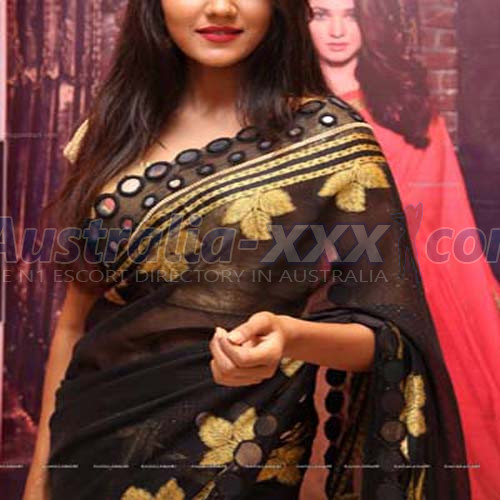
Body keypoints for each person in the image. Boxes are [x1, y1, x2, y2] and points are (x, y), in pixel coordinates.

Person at [23, 1, 470, 499]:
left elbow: (388, 336)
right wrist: (38, 483)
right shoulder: (112, 133)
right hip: (90, 448)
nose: (220, 8)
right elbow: (74, 322)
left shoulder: (330, 141)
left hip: (237, 454)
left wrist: (291, 336)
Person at [303, 1, 500, 499]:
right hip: (313, 293)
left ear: (370, 23)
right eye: (321, 14)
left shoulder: (404, 105)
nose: (338, 30)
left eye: (351, 15)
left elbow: (444, 211)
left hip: (418, 282)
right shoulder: (284, 107)